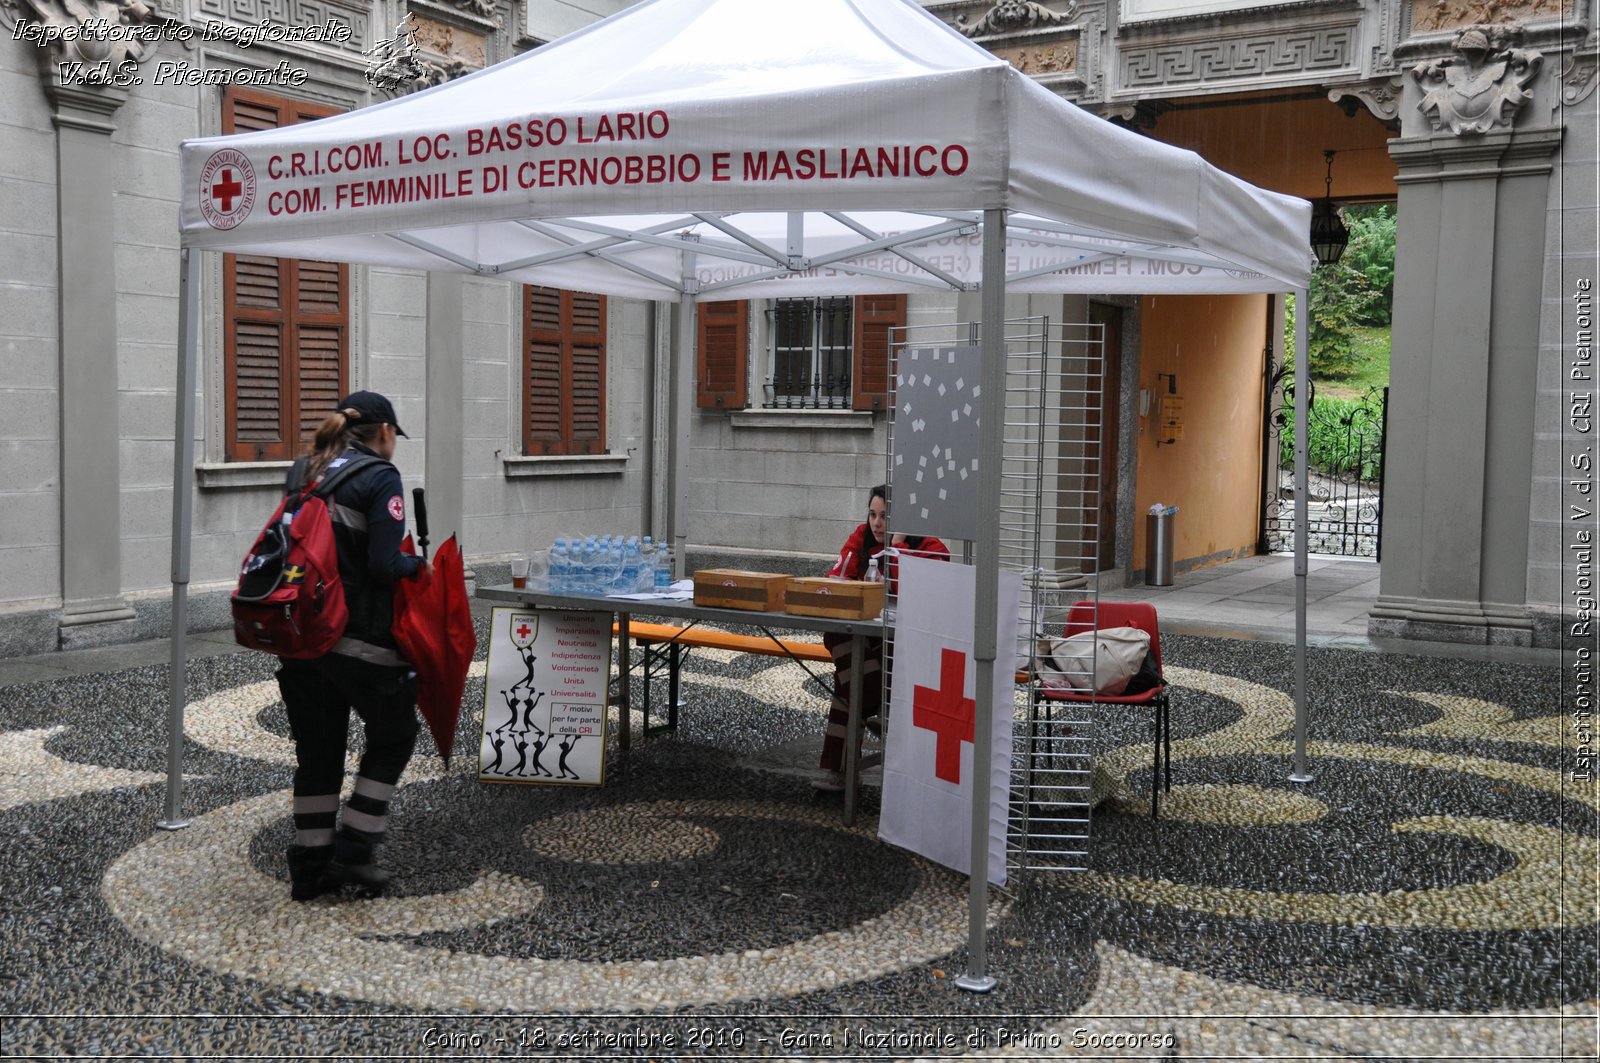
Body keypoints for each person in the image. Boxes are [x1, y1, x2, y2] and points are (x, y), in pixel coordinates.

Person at [278, 391, 430, 901]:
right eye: (394, 437)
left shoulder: (305, 467)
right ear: (384, 432)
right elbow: (384, 565)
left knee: (318, 751)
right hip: (356, 639)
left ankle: (309, 867)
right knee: (395, 735)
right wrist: (419, 565)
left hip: (300, 636)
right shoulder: (379, 477)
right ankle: (355, 848)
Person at [814, 484, 949, 791]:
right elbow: (836, 582)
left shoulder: (932, 546)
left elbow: (918, 590)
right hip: (866, 646)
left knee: (847, 689)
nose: (876, 523)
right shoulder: (861, 536)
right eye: (873, 514)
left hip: (911, 652)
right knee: (838, 634)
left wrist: (897, 545)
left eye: (886, 516)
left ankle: (839, 770)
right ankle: (872, 704)